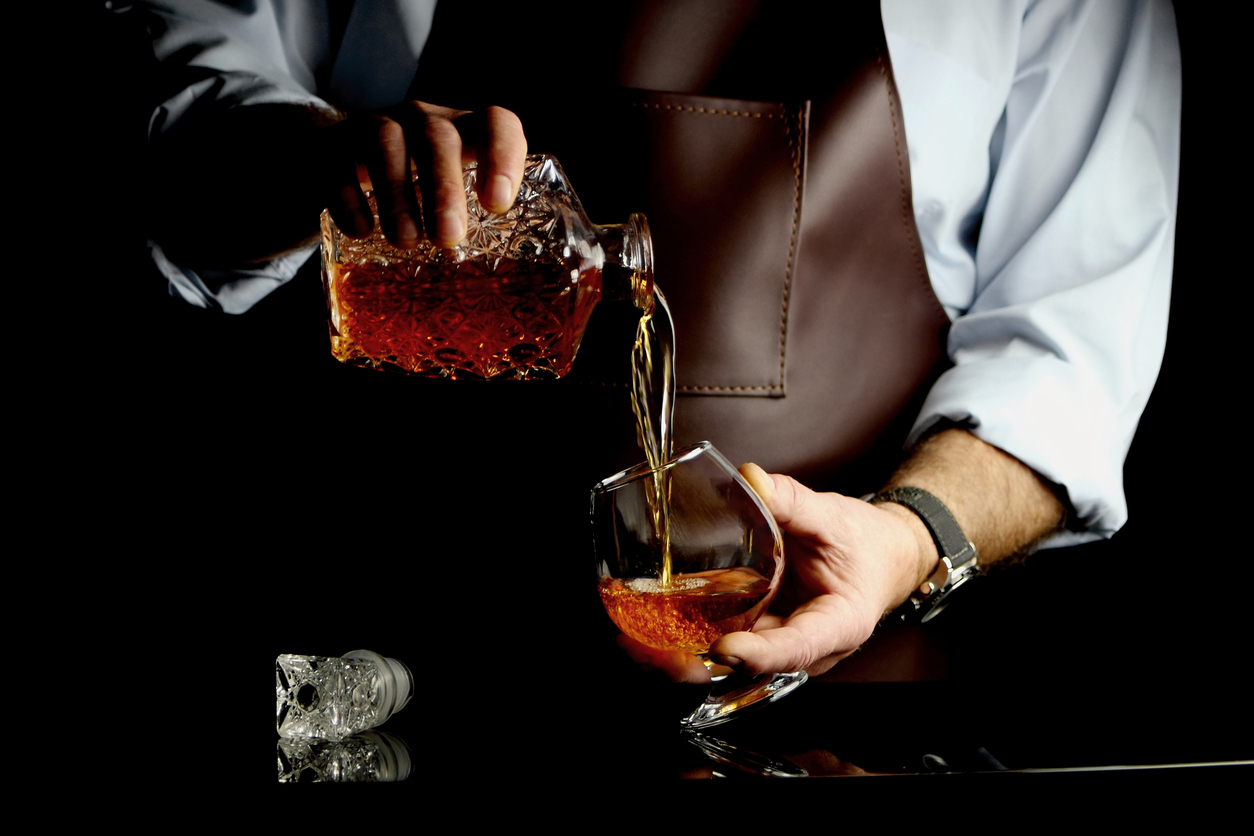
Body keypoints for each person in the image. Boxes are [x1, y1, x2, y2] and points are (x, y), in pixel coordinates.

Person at [136, 0, 1181, 680]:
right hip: (391, 666)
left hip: (820, 705)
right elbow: (165, 103)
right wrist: (308, 157)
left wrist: (906, 539)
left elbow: (1071, 359)